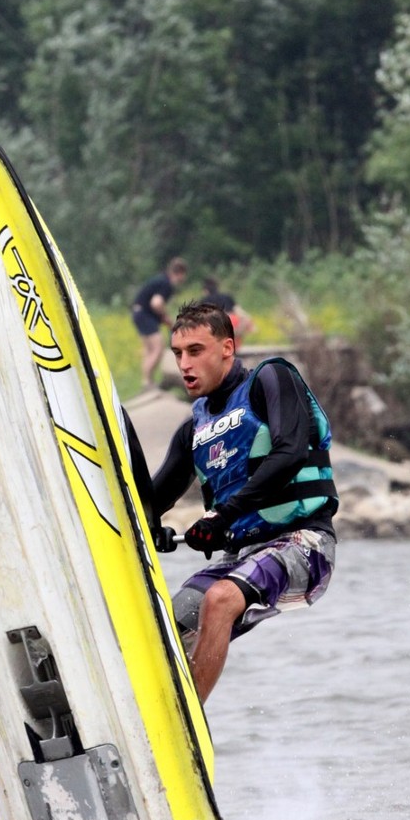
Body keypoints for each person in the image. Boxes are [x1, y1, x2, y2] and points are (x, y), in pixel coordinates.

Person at [152, 301, 338, 702]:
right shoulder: (194, 431)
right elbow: (149, 502)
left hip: (305, 544)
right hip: (241, 556)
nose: (184, 364)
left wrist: (221, 516)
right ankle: (156, 713)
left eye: (195, 351)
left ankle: (188, 726)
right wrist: (154, 530)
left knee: (220, 599)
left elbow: (290, 453)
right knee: (165, 629)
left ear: (227, 348)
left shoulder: (271, 379)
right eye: (178, 354)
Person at [130, 257, 188, 389]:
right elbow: (156, 303)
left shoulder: (161, 279)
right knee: (158, 348)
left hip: (138, 313)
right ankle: (146, 382)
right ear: (180, 273)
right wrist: (166, 317)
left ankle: (146, 381)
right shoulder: (166, 284)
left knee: (149, 350)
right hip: (145, 315)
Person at [199, 275, 255, 352]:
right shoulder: (227, 297)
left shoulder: (204, 300)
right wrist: (249, 321)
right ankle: (234, 346)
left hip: (219, 324)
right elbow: (239, 312)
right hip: (232, 321)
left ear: (205, 290)